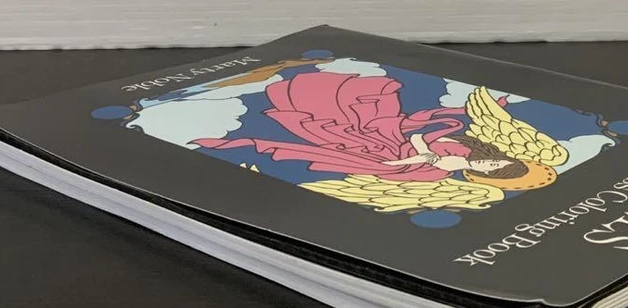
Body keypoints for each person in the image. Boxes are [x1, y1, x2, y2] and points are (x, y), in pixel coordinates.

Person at [191, 71, 528, 182]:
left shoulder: (446, 169)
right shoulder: (465, 149)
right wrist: (421, 147)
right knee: (372, 107)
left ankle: (242, 143)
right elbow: (423, 136)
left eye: (492, 169)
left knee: (334, 128)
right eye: (495, 161)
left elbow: (410, 160)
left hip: (388, 148)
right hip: (394, 136)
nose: (488, 164)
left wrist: (414, 156)